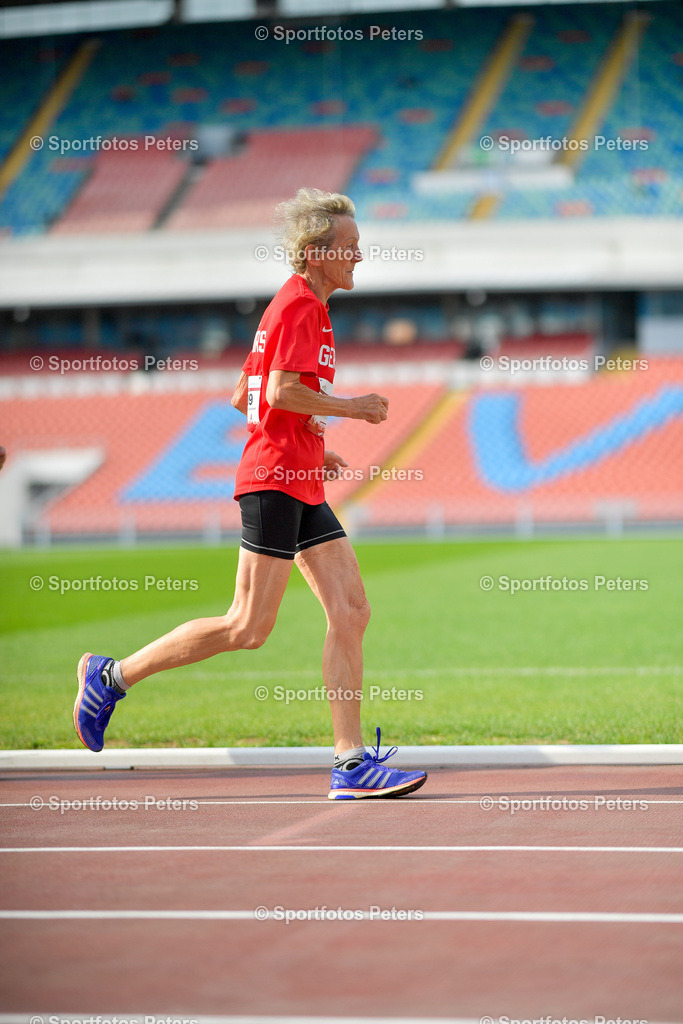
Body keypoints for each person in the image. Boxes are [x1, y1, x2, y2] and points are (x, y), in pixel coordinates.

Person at [73, 187, 427, 800]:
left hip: (298, 477)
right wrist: (352, 409)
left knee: (351, 610)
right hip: (272, 482)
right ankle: (114, 675)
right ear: (316, 252)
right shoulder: (300, 307)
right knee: (247, 627)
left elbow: (247, 395)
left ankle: (350, 764)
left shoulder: (296, 306)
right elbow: (281, 390)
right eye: (349, 248)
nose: (359, 258)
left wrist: (312, 437)